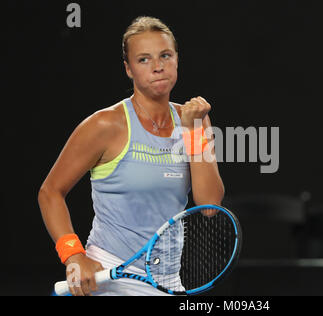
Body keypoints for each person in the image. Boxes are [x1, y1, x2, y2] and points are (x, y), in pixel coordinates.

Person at [38, 16, 225, 296]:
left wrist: (195, 130)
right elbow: (50, 191)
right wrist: (74, 255)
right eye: (143, 60)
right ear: (128, 69)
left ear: (177, 60)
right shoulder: (104, 125)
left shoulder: (194, 121)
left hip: (168, 281)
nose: (158, 67)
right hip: (109, 273)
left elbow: (209, 205)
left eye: (165, 55)